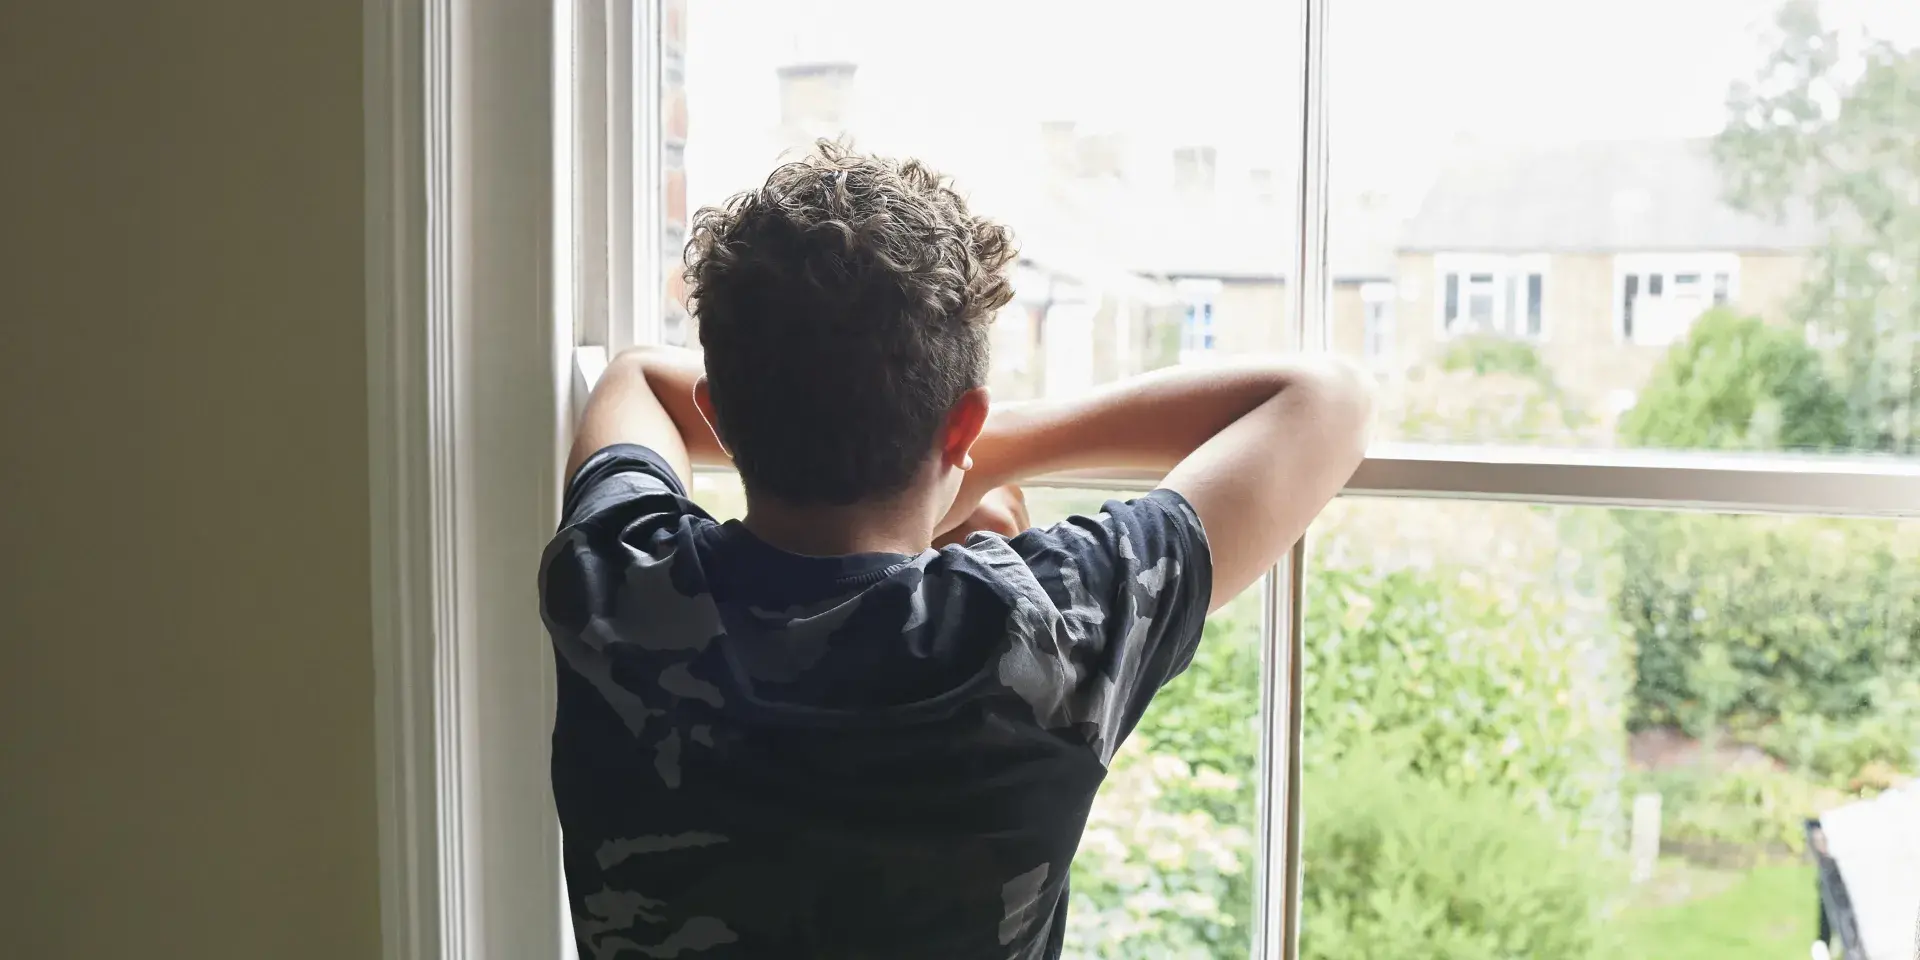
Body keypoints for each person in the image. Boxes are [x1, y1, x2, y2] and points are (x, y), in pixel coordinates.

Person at [539, 142, 1372, 959]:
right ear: (963, 421)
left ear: (719, 414)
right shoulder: (1040, 627)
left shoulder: (615, 583)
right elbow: (1326, 400)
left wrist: (941, 450)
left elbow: (639, 379)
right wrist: (973, 457)